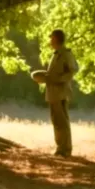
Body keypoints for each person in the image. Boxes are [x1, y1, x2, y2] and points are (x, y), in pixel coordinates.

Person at [30, 29, 79, 157]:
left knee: (62, 122)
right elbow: (52, 74)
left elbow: (72, 71)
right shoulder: (56, 54)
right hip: (52, 93)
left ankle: (65, 150)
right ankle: (60, 148)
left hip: (60, 93)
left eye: (51, 38)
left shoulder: (66, 54)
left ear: (56, 39)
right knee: (57, 122)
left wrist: (58, 80)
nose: (50, 41)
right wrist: (43, 77)